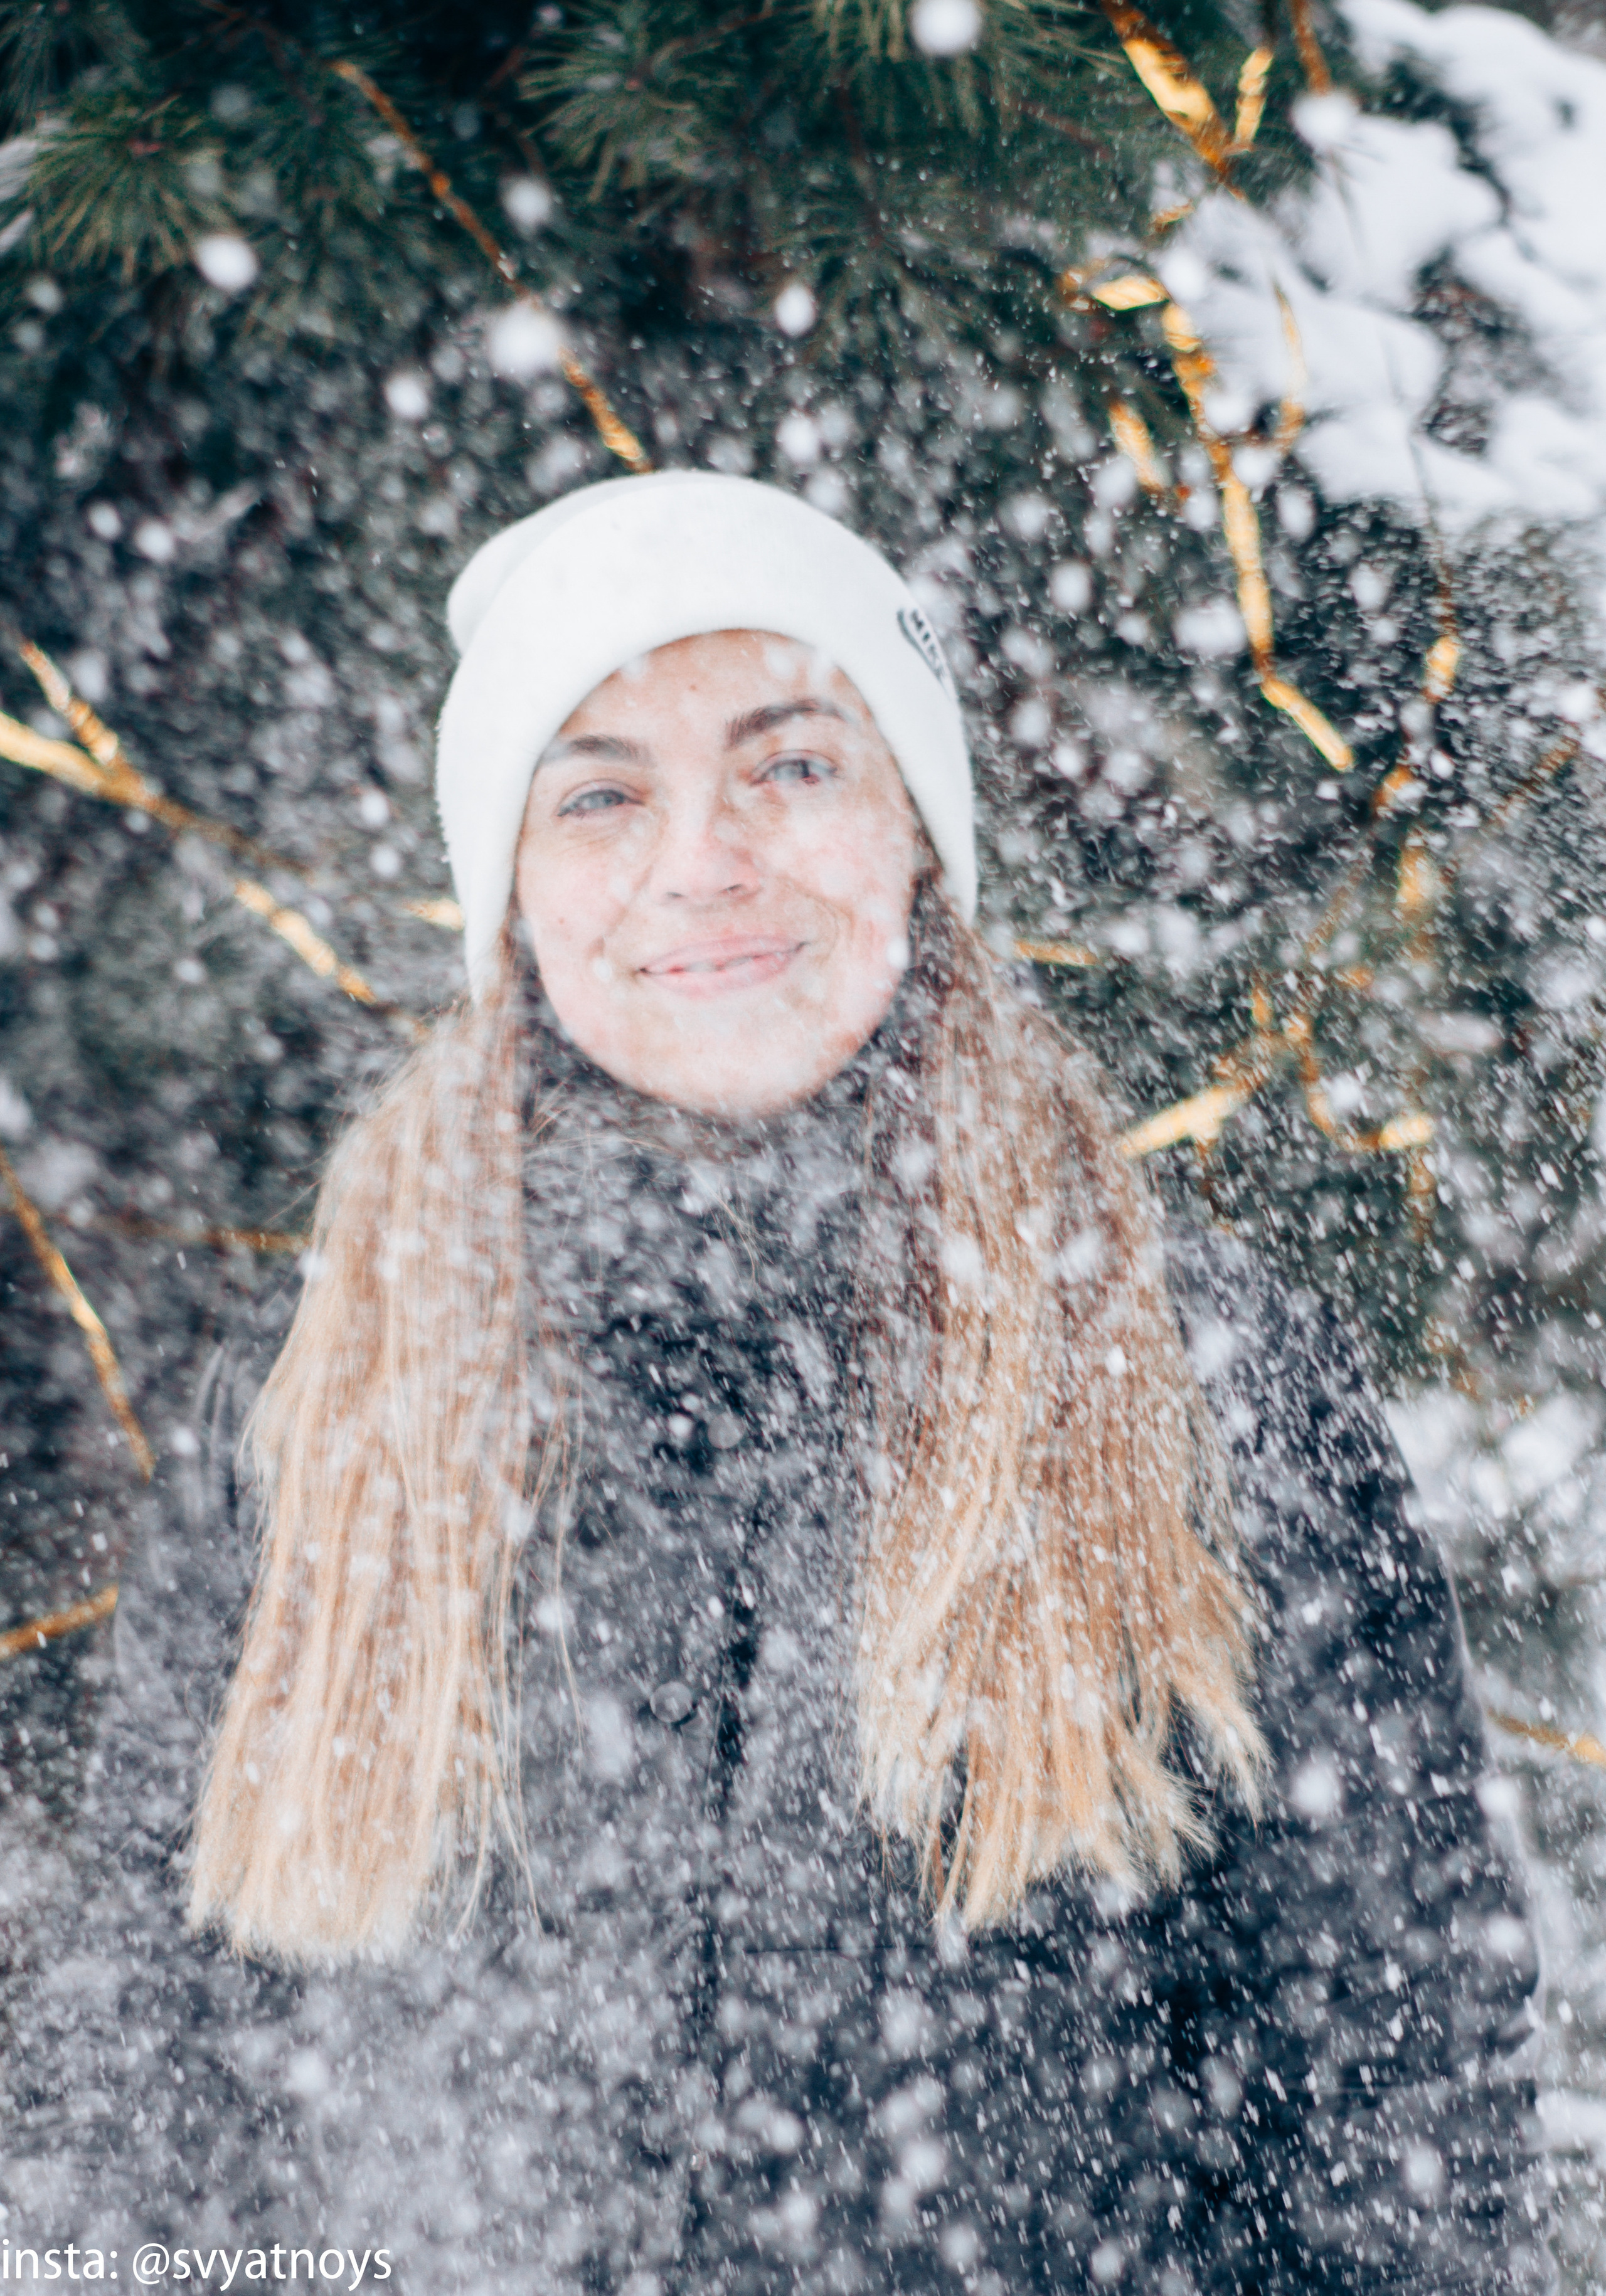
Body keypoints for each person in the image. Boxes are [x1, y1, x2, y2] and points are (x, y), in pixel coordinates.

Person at [2, 474, 1553, 2295]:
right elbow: (140, 2072)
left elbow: (1396, 2093)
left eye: (793, 763)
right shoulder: (316, 1395)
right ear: (510, 891)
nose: (702, 860)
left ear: (918, 836)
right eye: (599, 794)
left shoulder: (1196, 1367)